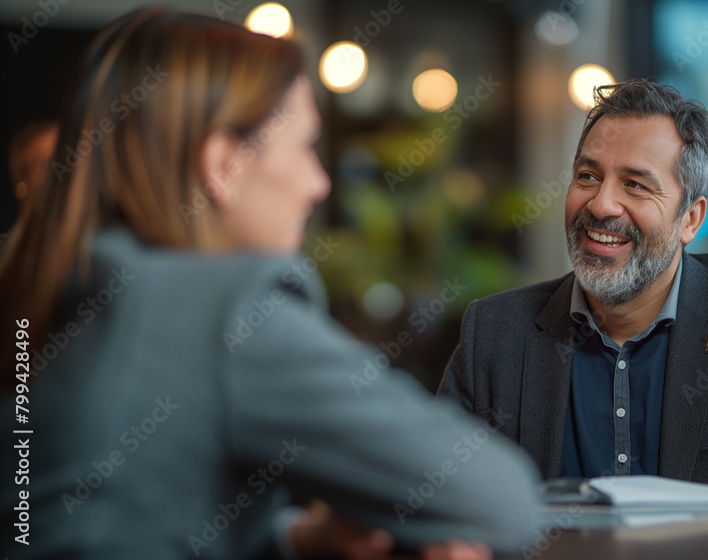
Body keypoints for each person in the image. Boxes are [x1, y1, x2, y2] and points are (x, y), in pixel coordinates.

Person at [0, 9, 540, 560]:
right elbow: (501, 502)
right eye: (306, 146)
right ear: (223, 165)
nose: (320, 184)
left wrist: (297, 539)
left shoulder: (59, 280)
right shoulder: (223, 308)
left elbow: (129, 518)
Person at [438, 79, 708, 506]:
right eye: (588, 176)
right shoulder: (494, 334)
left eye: (635, 185)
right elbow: (440, 489)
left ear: (691, 220)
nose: (602, 205)